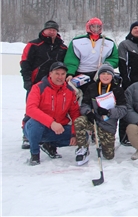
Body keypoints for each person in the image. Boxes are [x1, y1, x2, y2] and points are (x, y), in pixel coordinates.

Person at [20, 20, 68, 149]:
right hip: (37, 82)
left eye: (54, 30)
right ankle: (27, 135)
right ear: (44, 30)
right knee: (32, 109)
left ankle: (49, 135)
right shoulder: (34, 44)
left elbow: (66, 64)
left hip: (56, 83)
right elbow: (25, 62)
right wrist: (27, 80)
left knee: (53, 109)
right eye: (49, 29)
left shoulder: (62, 47)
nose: (51, 32)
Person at [23, 62, 80, 165]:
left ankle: (49, 144)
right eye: (57, 73)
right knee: (36, 124)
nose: (60, 77)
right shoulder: (38, 87)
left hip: (57, 129)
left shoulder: (69, 91)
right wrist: (51, 123)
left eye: (63, 74)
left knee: (82, 135)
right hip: (35, 127)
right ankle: (35, 154)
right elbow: (30, 109)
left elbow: (75, 113)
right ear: (50, 74)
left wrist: (74, 134)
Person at [73, 63, 127, 165]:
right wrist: (88, 113)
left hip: (107, 124)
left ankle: (102, 143)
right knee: (79, 122)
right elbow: (84, 104)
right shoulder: (92, 87)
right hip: (94, 121)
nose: (105, 76)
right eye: (103, 73)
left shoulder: (117, 90)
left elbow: (123, 110)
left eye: (108, 74)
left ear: (112, 76)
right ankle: (83, 148)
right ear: (99, 75)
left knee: (109, 156)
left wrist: (109, 112)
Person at [117, 21, 138, 145]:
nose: (137, 30)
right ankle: (123, 135)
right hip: (129, 82)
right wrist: (126, 80)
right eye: (135, 28)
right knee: (127, 107)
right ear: (131, 30)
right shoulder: (124, 45)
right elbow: (122, 64)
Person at [64, 17, 119, 93]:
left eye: (98, 27)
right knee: (81, 95)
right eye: (93, 26)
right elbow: (71, 60)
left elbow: (114, 59)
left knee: (98, 95)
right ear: (88, 27)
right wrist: (70, 73)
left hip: (99, 74)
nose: (96, 29)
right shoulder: (77, 41)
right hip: (81, 74)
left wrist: (106, 64)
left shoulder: (109, 42)